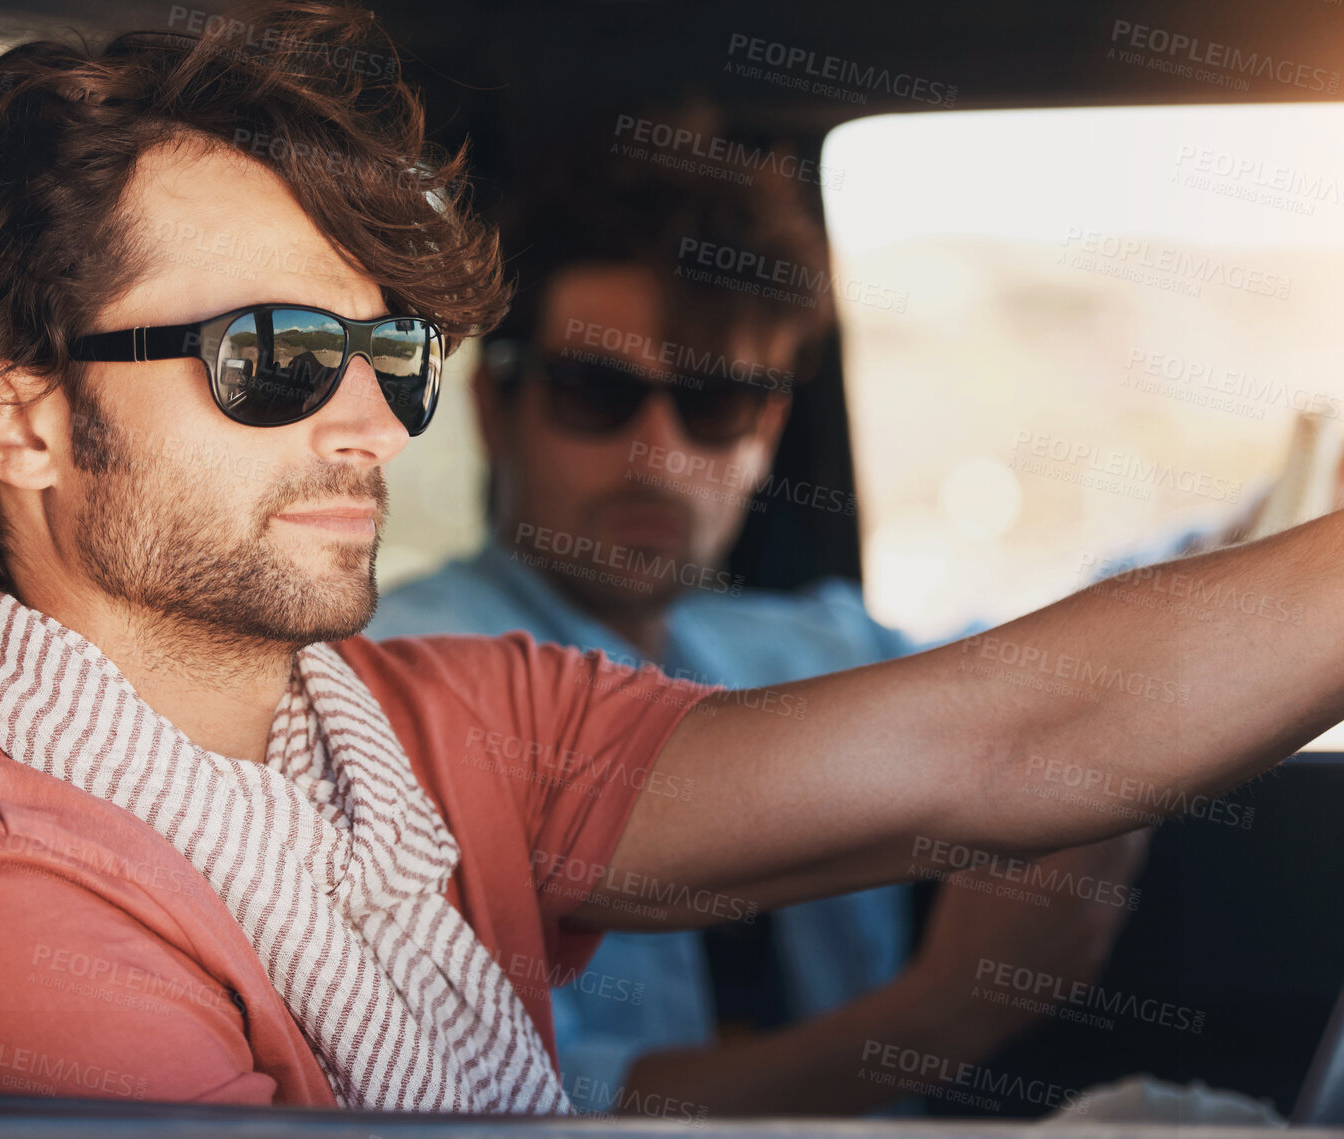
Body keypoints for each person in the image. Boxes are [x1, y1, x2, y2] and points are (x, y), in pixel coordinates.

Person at [0, 0, 1344, 1116]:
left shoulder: (422, 730)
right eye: (273, 354)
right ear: (22, 414)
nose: (374, 430)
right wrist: (940, 1013)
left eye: (386, 356)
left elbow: (1026, 727)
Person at [365, 148, 1145, 1116]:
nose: (657, 455)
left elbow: (1054, 672)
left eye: (713, 402)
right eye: (596, 394)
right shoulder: (405, 685)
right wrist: (941, 1013)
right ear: (495, 408)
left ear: (768, 431)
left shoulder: (805, 649)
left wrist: (1255, 541)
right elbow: (524, 1109)